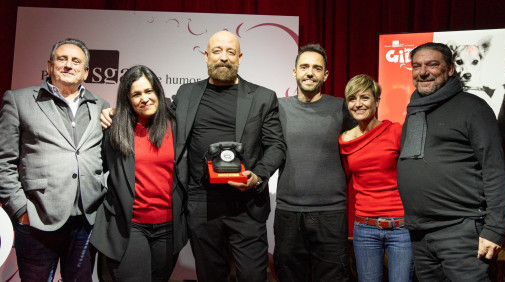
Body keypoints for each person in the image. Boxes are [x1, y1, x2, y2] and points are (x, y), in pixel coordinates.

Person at [102, 30, 286, 281]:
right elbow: (150, 110)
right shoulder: (186, 94)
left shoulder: (263, 97)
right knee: (210, 276)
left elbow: (276, 146)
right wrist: (115, 113)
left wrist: (258, 176)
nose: (224, 58)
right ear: (206, 56)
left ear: (240, 57)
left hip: (246, 204)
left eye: (231, 52)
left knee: (253, 276)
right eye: (217, 51)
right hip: (201, 204)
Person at [397, 42, 505, 281]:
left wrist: (495, 229)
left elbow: (495, 170)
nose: (423, 72)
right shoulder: (415, 111)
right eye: (416, 66)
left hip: (461, 231)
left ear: (450, 69)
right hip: (420, 233)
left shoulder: (473, 107)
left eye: (432, 64)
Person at [0, 38, 108, 281]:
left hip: (86, 222)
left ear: (86, 71)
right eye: (62, 59)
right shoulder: (19, 100)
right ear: (49, 66)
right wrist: (20, 209)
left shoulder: (100, 105)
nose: (69, 65)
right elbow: (3, 162)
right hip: (38, 218)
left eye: (76, 61)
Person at [90, 65, 187, 281]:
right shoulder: (114, 128)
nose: (144, 98)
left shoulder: (177, 125)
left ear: (158, 92)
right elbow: (96, 167)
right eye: (136, 94)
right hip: (129, 226)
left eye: (148, 91)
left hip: (168, 228)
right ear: (127, 99)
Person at [274, 44, 354, 281]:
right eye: (304, 67)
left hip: (331, 212)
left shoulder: (342, 107)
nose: (310, 72)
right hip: (288, 211)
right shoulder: (277, 107)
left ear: (325, 75)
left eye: (317, 68)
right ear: (294, 72)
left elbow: (361, 148)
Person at [339, 74, 413, 282]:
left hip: (401, 227)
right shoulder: (344, 140)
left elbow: (415, 175)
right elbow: (342, 181)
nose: (358, 104)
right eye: (352, 99)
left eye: (364, 97)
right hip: (364, 229)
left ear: (377, 101)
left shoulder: (396, 131)